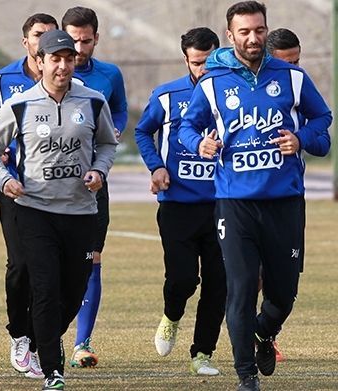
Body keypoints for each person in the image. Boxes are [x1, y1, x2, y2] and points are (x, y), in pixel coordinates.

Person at [178, 2, 332, 390]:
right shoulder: (213, 82)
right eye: (244, 31)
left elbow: (322, 123)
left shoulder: (293, 77)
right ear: (230, 36)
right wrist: (201, 144)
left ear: (266, 31)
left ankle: (264, 332)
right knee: (243, 287)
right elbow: (186, 128)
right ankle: (246, 375)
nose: (253, 38)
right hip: (236, 203)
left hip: (285, 202)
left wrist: (300, 139)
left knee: (284, 293)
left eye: (259, 30)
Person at [0, 29, 118, 391]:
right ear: (39, 62)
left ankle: (43, 340)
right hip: (34, 209)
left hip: (80, 212)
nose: (62, 66)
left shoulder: (93, 101)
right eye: (54, 59)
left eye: (68, 59)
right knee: (43, 287)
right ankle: (54, 372)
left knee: (72, 291)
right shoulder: (19, 104)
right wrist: (4, 180)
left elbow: (106, 144)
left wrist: (98, 170)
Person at [134, 27, 226, 376]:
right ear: (186, 60)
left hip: (224, 203)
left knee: (220, 282)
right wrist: (156, 166)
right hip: (178, 204)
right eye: (198, 63)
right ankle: (171, 315)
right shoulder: (167, 95)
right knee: (183, 279)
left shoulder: (232, 93)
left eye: (210, 62)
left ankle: (203, 352)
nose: (204, 70)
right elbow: (143, 131)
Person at [0, 13, 58, 379]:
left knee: (63, 273)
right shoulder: (2, 81)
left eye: (50, 35)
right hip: (15, 187)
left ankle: (41, 340)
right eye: (38, 35)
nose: (44, 41)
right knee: (20, 265)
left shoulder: (73, 82)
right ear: (26, 41)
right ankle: (21, 337)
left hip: (62, 192)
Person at [61, 5, 128, 368]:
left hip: (92, 185)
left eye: (86, 41)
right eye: (73, 40)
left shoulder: (109, 75)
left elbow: (119, 108)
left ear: (96, 38)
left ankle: (82, 343)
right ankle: (47, 337)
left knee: (92, 261)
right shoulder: (42, 77)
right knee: (48, 264)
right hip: (49, 187)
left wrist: (114, 129)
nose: (80, 48)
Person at [263, 26, 305, 364]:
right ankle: (248, 335)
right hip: (248, 198)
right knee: (249, 275)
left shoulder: (301, 88)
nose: (295, 68)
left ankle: (265, 333)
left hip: (290, 195)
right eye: (288, 62)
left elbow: (322, 135)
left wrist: (302, 138)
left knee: (286, 282)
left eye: (298, 61)